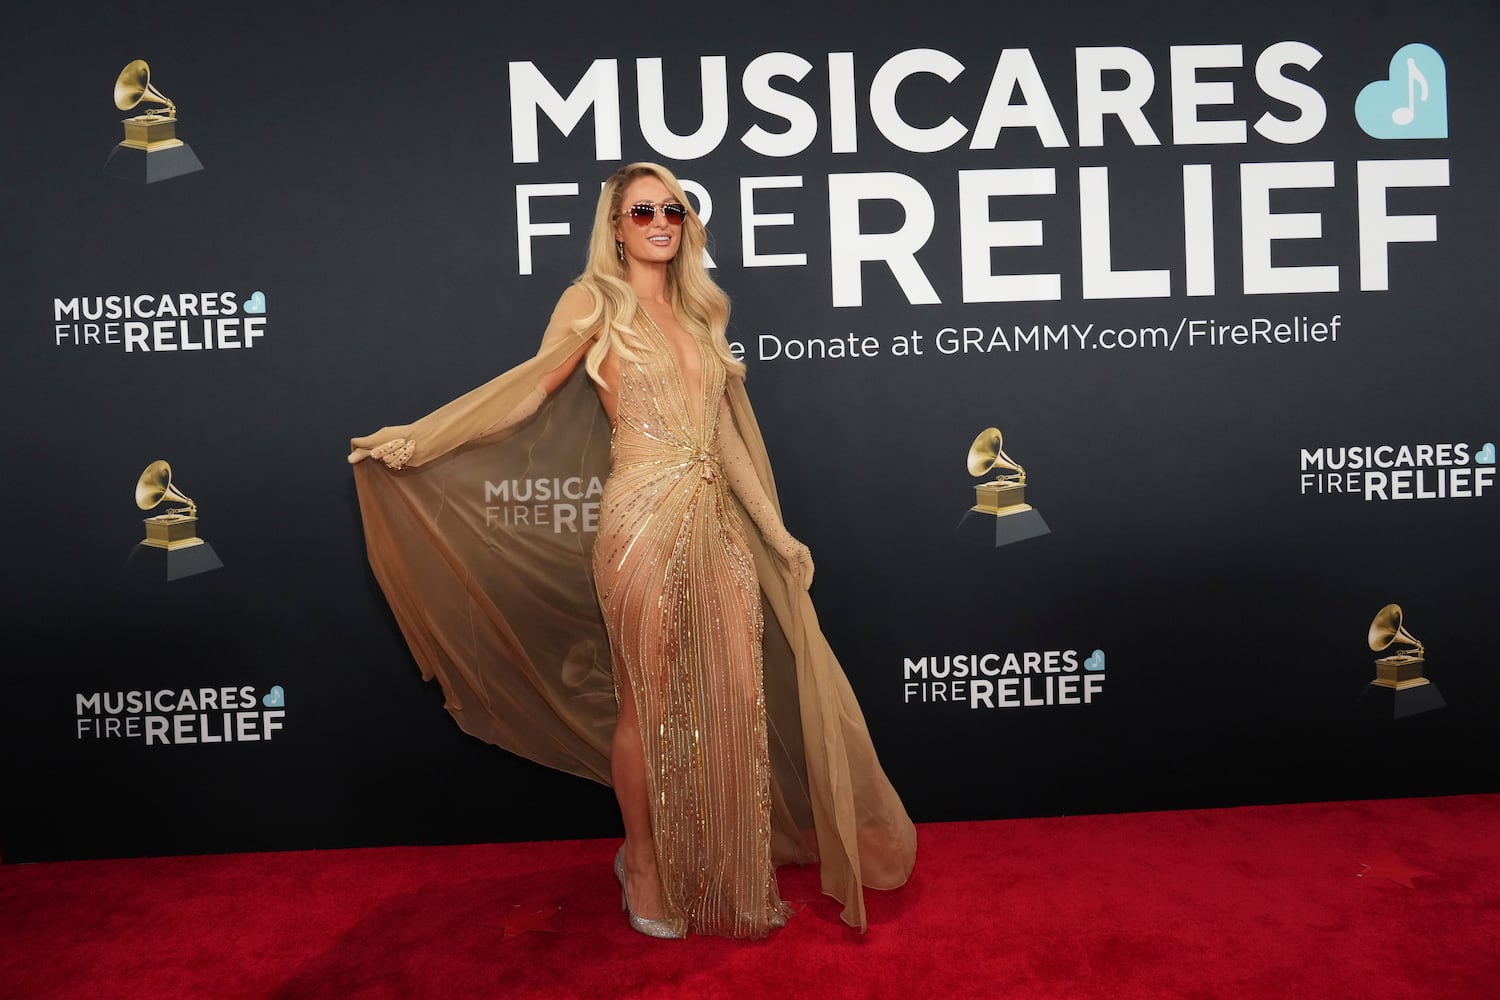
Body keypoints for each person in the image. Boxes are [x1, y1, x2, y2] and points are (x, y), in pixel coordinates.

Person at [349, 162, 916, 939]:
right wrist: (420, 439)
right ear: (614, 224)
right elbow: (526, 391)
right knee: (648, 706)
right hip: (641, 520)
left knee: (735, 697)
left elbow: (722, 436)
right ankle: (643, 862)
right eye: (642, 209)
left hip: (718, 526)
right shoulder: (591, 303)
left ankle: (721, 865)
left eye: (673, 210)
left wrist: (777, 533)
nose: (659, 221)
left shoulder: (700, 310)